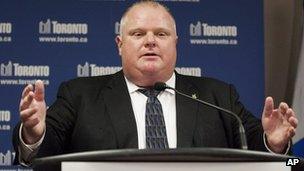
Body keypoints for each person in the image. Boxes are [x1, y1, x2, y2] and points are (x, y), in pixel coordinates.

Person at [13, 0, 298, 166]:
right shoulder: (79, 95)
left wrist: (273, 143)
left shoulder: (219, 96)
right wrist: (35, 132)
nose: (150, 40)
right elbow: (43, 153)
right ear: (119, 45)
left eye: (161, 34)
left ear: (176, 44)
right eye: (138, 33)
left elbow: (258, 152)